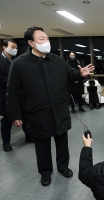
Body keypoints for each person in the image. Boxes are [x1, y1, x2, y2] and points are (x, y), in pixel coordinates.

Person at [6, 26, 94, 186]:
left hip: (59, 110)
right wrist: (15, 115)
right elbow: (12, 92)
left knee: (62, 142)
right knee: (42, 145)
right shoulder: (19, 64)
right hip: (37, 112)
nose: (47, 41)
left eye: (47, 38)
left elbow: (70, 74)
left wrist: (80, 74)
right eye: (42, 39)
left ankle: (63, 167)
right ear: (31, 43)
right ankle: (45, 172)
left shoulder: (56, 60)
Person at [0, 39, 33, 151]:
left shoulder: (17, 60)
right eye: (12, 47)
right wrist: (14, 82)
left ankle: (28, 136)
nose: (15, 49)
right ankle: (6, 142)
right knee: (8, 118)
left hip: (21, 94)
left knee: (25, 115)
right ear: (4, 47)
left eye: (16, 48)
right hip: (6, 94)